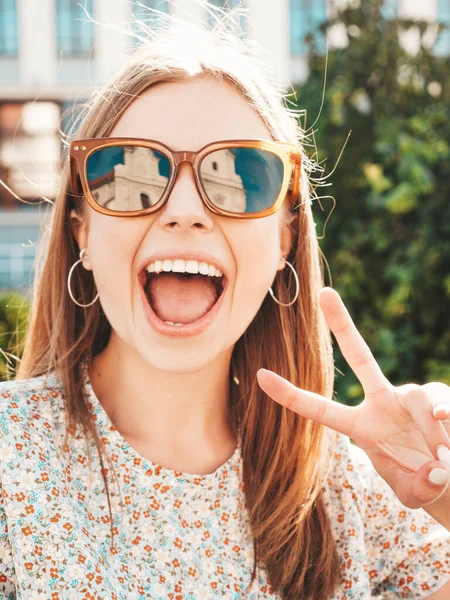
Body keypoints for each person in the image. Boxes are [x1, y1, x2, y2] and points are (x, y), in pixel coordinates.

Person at [0, 5, 450, 599]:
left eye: (240, 174)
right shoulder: (11, 461)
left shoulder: (359, 486)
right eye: (129, 173)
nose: (184, 210)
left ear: (285, 239)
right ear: (82, 230)